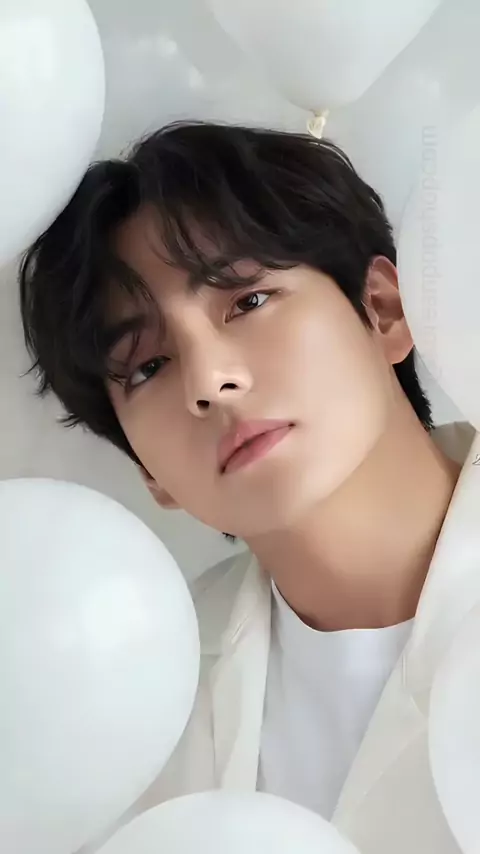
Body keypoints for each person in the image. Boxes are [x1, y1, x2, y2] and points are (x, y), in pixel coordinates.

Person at [19, 122, 476, 853]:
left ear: (383, 310)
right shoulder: (128, 695)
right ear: (149, 471)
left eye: (248, 301)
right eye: (148, 367)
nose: (209, 381)